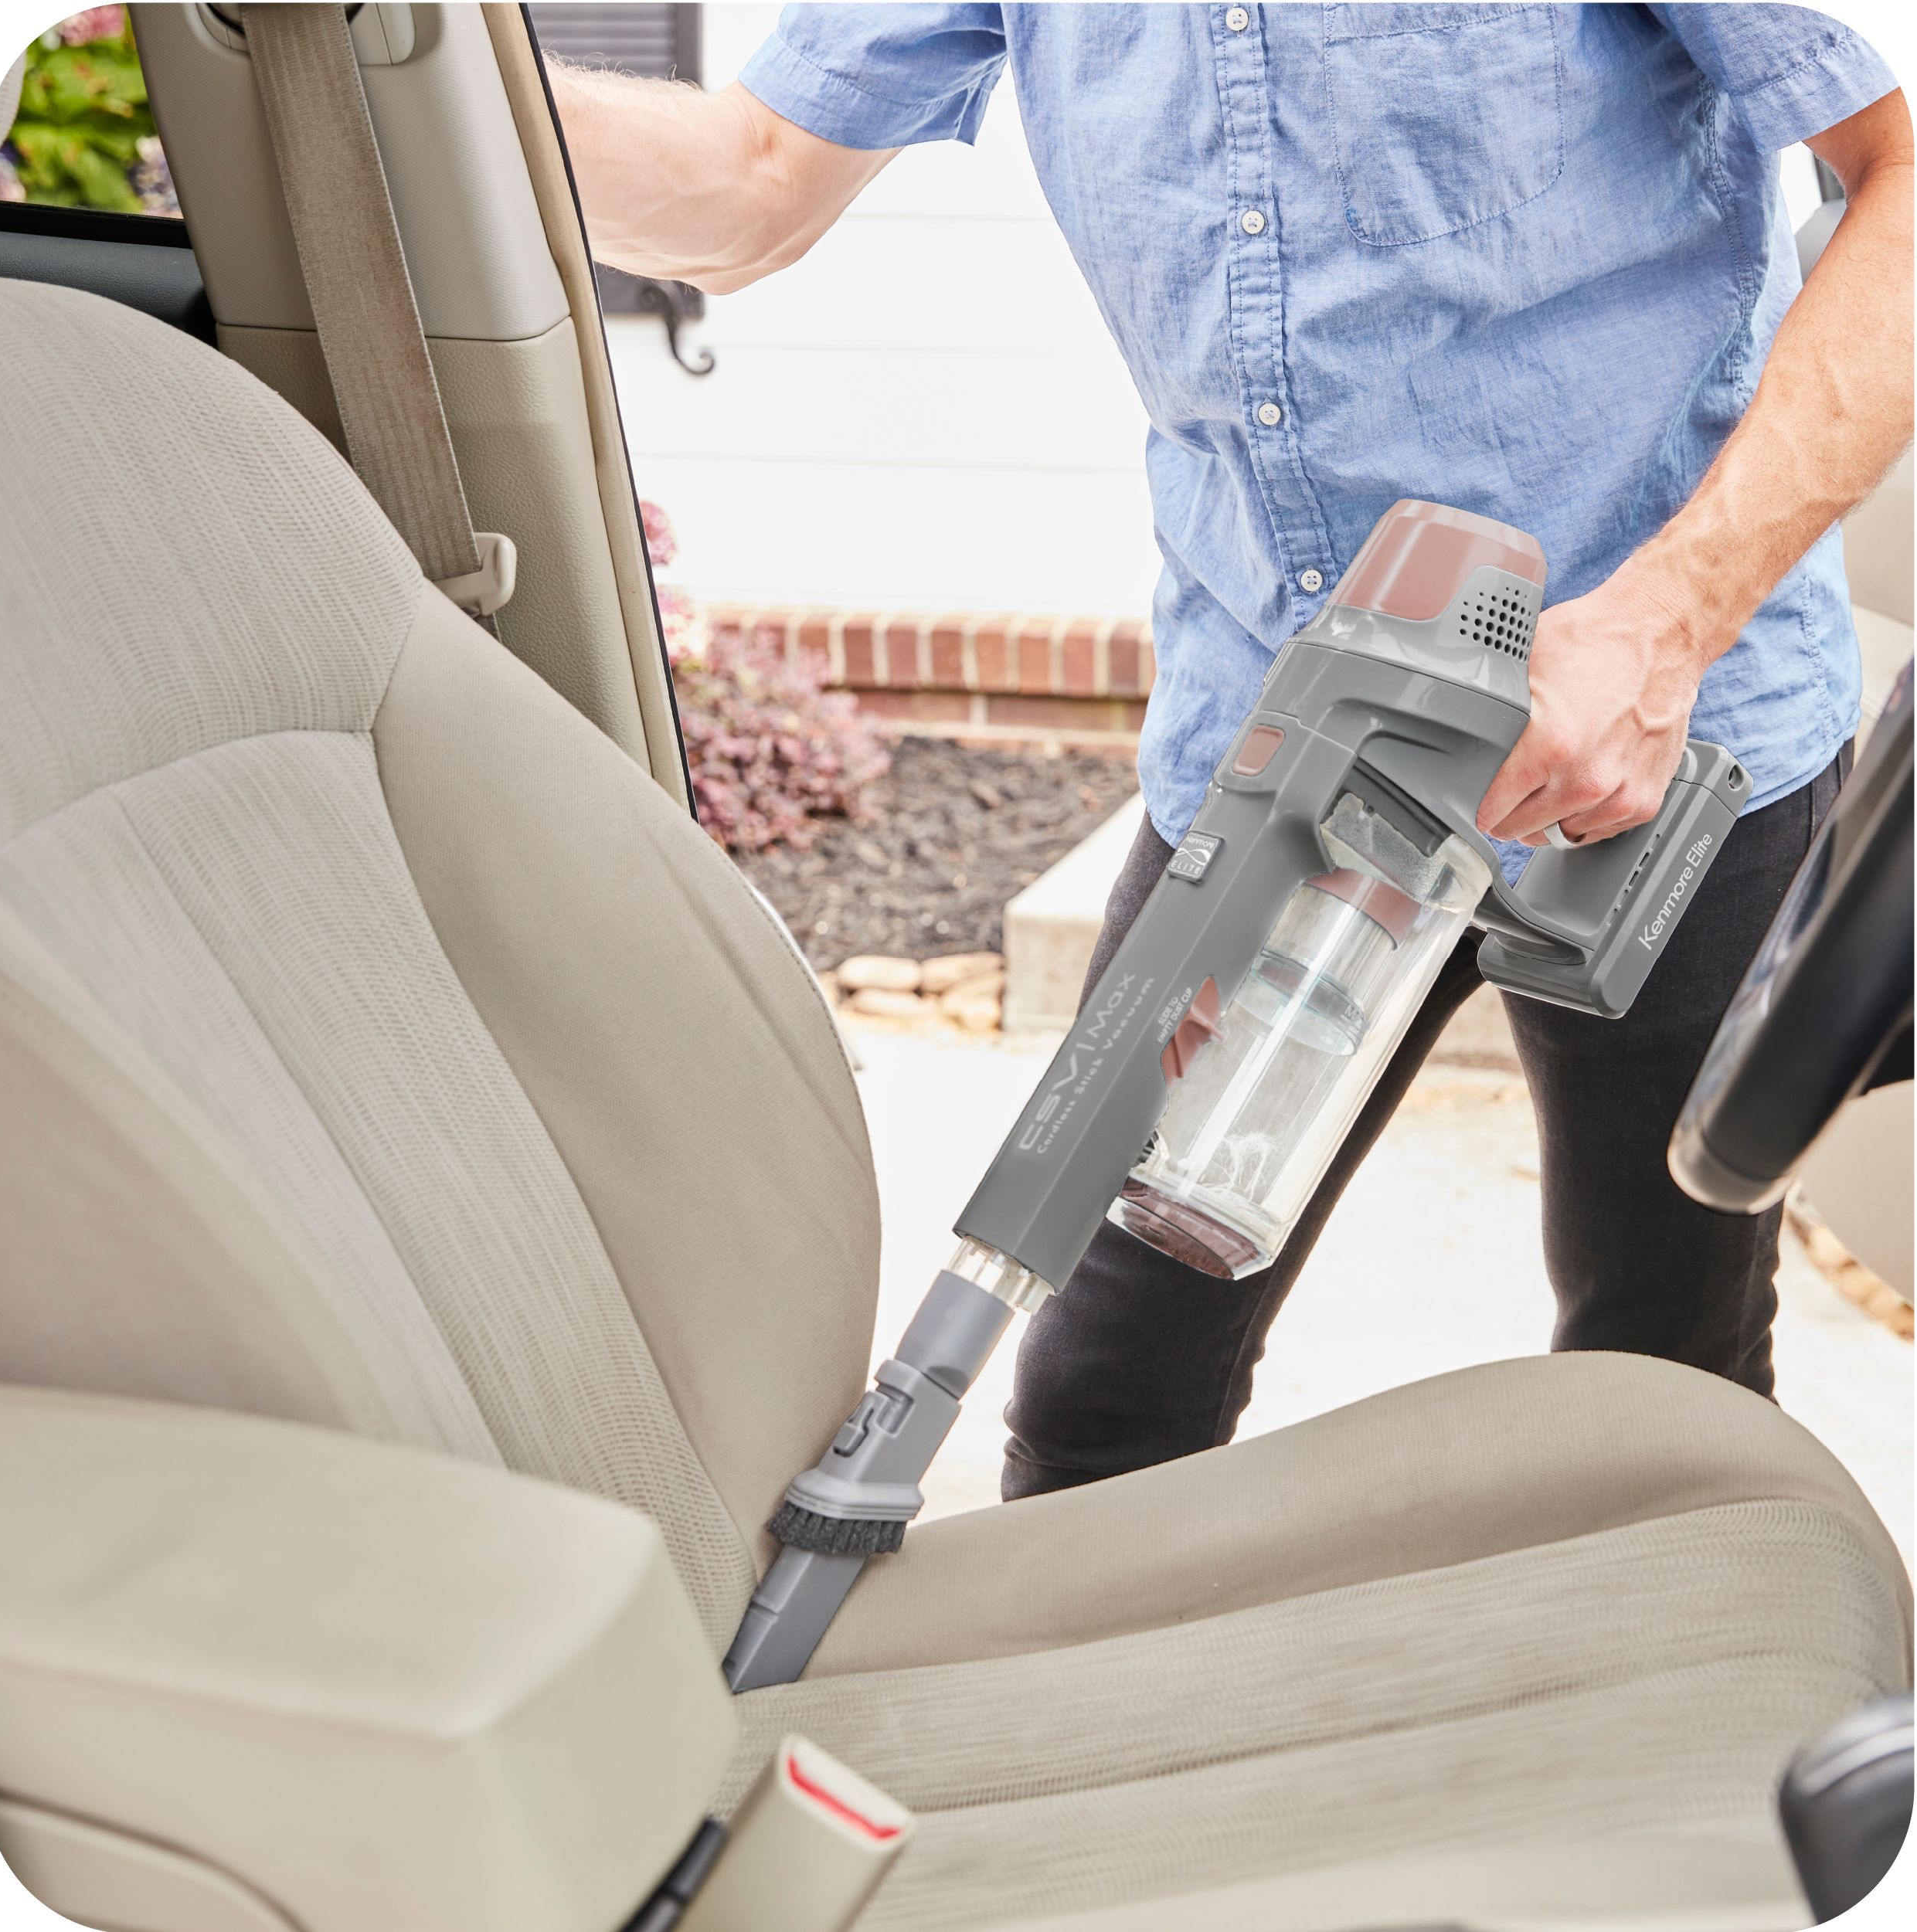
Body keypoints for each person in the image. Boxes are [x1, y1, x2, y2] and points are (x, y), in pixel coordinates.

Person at [551, 5, 1913, 1498]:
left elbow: (1897, 180)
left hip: (1656, 737)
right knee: (1103, 1401)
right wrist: (411, 47)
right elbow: (745, 185)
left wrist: (1671, 622)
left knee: (1670, 1382)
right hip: (1288, 748)